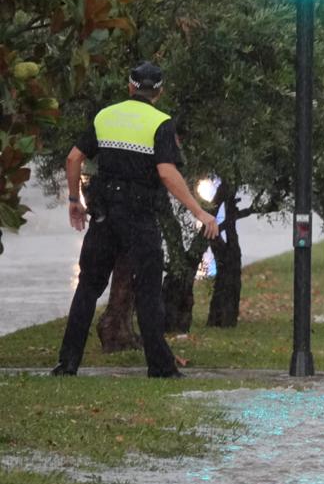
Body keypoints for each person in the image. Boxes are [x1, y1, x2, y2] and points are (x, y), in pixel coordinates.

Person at [52, 62, 218, 377]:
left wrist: (74, 200)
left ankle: (67, 362)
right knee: (148, 290)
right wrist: (199, 211)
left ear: (130, 87)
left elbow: (74, 158)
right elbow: (167, 172)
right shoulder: (161, 123)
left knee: (88, 286)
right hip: (139, 215)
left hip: (104, 214)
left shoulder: (105, 116)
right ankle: (160, 367)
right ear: (159, 91)